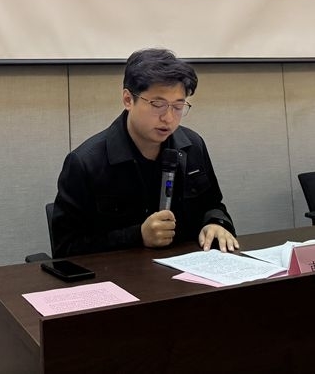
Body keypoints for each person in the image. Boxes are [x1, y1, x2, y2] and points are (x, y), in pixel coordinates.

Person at [51, 47, 238, 258]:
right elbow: (65, 247)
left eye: (178, 107)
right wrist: (137, 235)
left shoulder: (192, 145)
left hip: (187, 270)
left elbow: (213, 205)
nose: (168, 118)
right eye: (158, 105)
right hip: (121, 274)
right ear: (128, 99)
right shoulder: (86, 162)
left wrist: (215, 223)